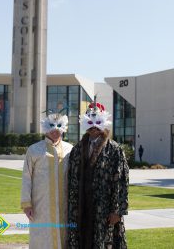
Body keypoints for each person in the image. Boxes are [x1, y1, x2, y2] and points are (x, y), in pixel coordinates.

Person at [67, 100, 129, 249]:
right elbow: (70, 180)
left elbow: (121, 181)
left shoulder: (114, 150)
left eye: (97, 123)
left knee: (103, 241)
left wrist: (117, 211)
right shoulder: (77, 149)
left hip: (104, 208)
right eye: (90, 123)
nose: (93, 127)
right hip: (81, 206)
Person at [21, 112, 73, 249]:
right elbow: (26, 178)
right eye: (52, 127)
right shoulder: (34, 150)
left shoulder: (70, 150)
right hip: (41, 206)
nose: (55, 131)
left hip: (64, 205)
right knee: (41, 238)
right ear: (45, 128)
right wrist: (27, 204)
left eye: (59, 127)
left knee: (64, 237)